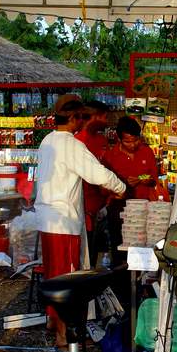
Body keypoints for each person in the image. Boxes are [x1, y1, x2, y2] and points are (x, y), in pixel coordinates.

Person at [35, 94, 126, 347]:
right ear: (73, 117)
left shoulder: (47, 142)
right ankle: (65, 334)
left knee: (54, 275)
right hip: (63, 221)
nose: (82, 122)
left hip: (47, 218)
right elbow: (96, 173)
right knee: (69, 278)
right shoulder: (71, 144)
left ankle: (53, 322)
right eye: (81, 117)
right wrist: (120, 187)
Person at [103, 116, 158, 261]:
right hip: (119, 208)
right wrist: (122, 184)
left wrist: (142, 179)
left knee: (142, 250)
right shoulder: (110, 156)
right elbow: (103, 186)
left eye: (135, 140)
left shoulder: (146, 152)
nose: (133, 145)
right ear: (119, 139)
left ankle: (140, 280)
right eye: (128, 141)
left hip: (143, 207)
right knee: (119, 249)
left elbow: (153, 176)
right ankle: (121, 281)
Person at [74, 100, 110, 266]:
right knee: (86, 252)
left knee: (99, 251)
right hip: (85, 207)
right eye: (104, 117)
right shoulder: (77, 142)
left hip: (102, 206)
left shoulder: (102, 140)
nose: (107, 121)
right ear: (95, 117)